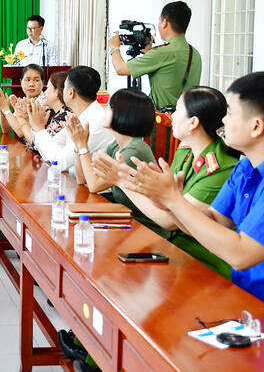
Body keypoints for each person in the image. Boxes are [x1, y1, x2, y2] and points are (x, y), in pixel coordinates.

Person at [116, 72, 264, 324]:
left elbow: (242, 254)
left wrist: (173, 201)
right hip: (247, 301)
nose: (223, 119)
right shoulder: (246, 166)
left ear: (256, 126)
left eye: (230, 112)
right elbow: (215, 220)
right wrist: (168, 202)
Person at [93, 86, 239, 278]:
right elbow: (161, 197)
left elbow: (168, 220)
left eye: (177, 110)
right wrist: (127, 176)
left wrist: (122, 180)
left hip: (201, 260)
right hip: (171, 246)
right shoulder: (186, 151)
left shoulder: (219, 168)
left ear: (193, 123)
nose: (171, 115)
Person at [67, 88, 163, 236]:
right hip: (124, 219)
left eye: (110, 107)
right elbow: (82, 178)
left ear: (124, 114)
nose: (105, 110)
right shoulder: (117, 144)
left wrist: (83, 146)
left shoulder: (134, 151)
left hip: (144, 228)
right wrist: (78, 145)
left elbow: (94, 185)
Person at [109, 1, 202, 109]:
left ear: (165, 23)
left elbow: (120, 69)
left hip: (161, 122)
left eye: (159, 20)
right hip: (185, 118)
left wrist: (114, 47)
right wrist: (149, 52)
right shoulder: (195, 54)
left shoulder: (161, 53)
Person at [29, 66, 114, 172]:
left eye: (64, 87)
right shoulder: (78, 115)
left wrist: (39, 128)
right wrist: (38, 128)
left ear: (71, 92)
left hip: (90, 187)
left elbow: (60, 163)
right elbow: (49, 154)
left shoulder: (94, 120)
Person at [0, 64, 44, 140]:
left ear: (43, 82)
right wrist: (2, 110)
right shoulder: (23, 101)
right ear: (21, 82)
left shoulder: (43, 101)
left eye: (36, 80)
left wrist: (6, 109)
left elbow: (21, 132)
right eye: (27, 80)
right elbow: (7, 129)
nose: (31, 84)